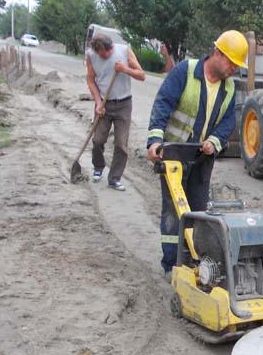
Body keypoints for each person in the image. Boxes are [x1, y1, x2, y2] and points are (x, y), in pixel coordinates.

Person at [146, 30, 248, 279]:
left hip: (202, 159)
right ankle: (171, 264)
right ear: (217, 53)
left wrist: (214, 141)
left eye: (237, 65)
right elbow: (163, 104)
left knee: (198, 210)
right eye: (231, 62)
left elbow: (227, 122)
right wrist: (155, 141)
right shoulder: (185, 72)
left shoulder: (229, 87)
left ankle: (195, 260)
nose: (233, 68)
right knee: (173, 210)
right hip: (175, 154)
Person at [85, 33, 145, 191]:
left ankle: (114, 178)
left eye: (108, 52)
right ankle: (98, 167)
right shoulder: (91, 56)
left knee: (121, 144)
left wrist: (124, 69)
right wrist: (98, 102)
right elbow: (91, 80)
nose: (106, 56)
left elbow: (141, 75)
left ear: (111, 47)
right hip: (104, 104)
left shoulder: (124, 51)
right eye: (102, 54)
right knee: (98, 140)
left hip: (124, 104)